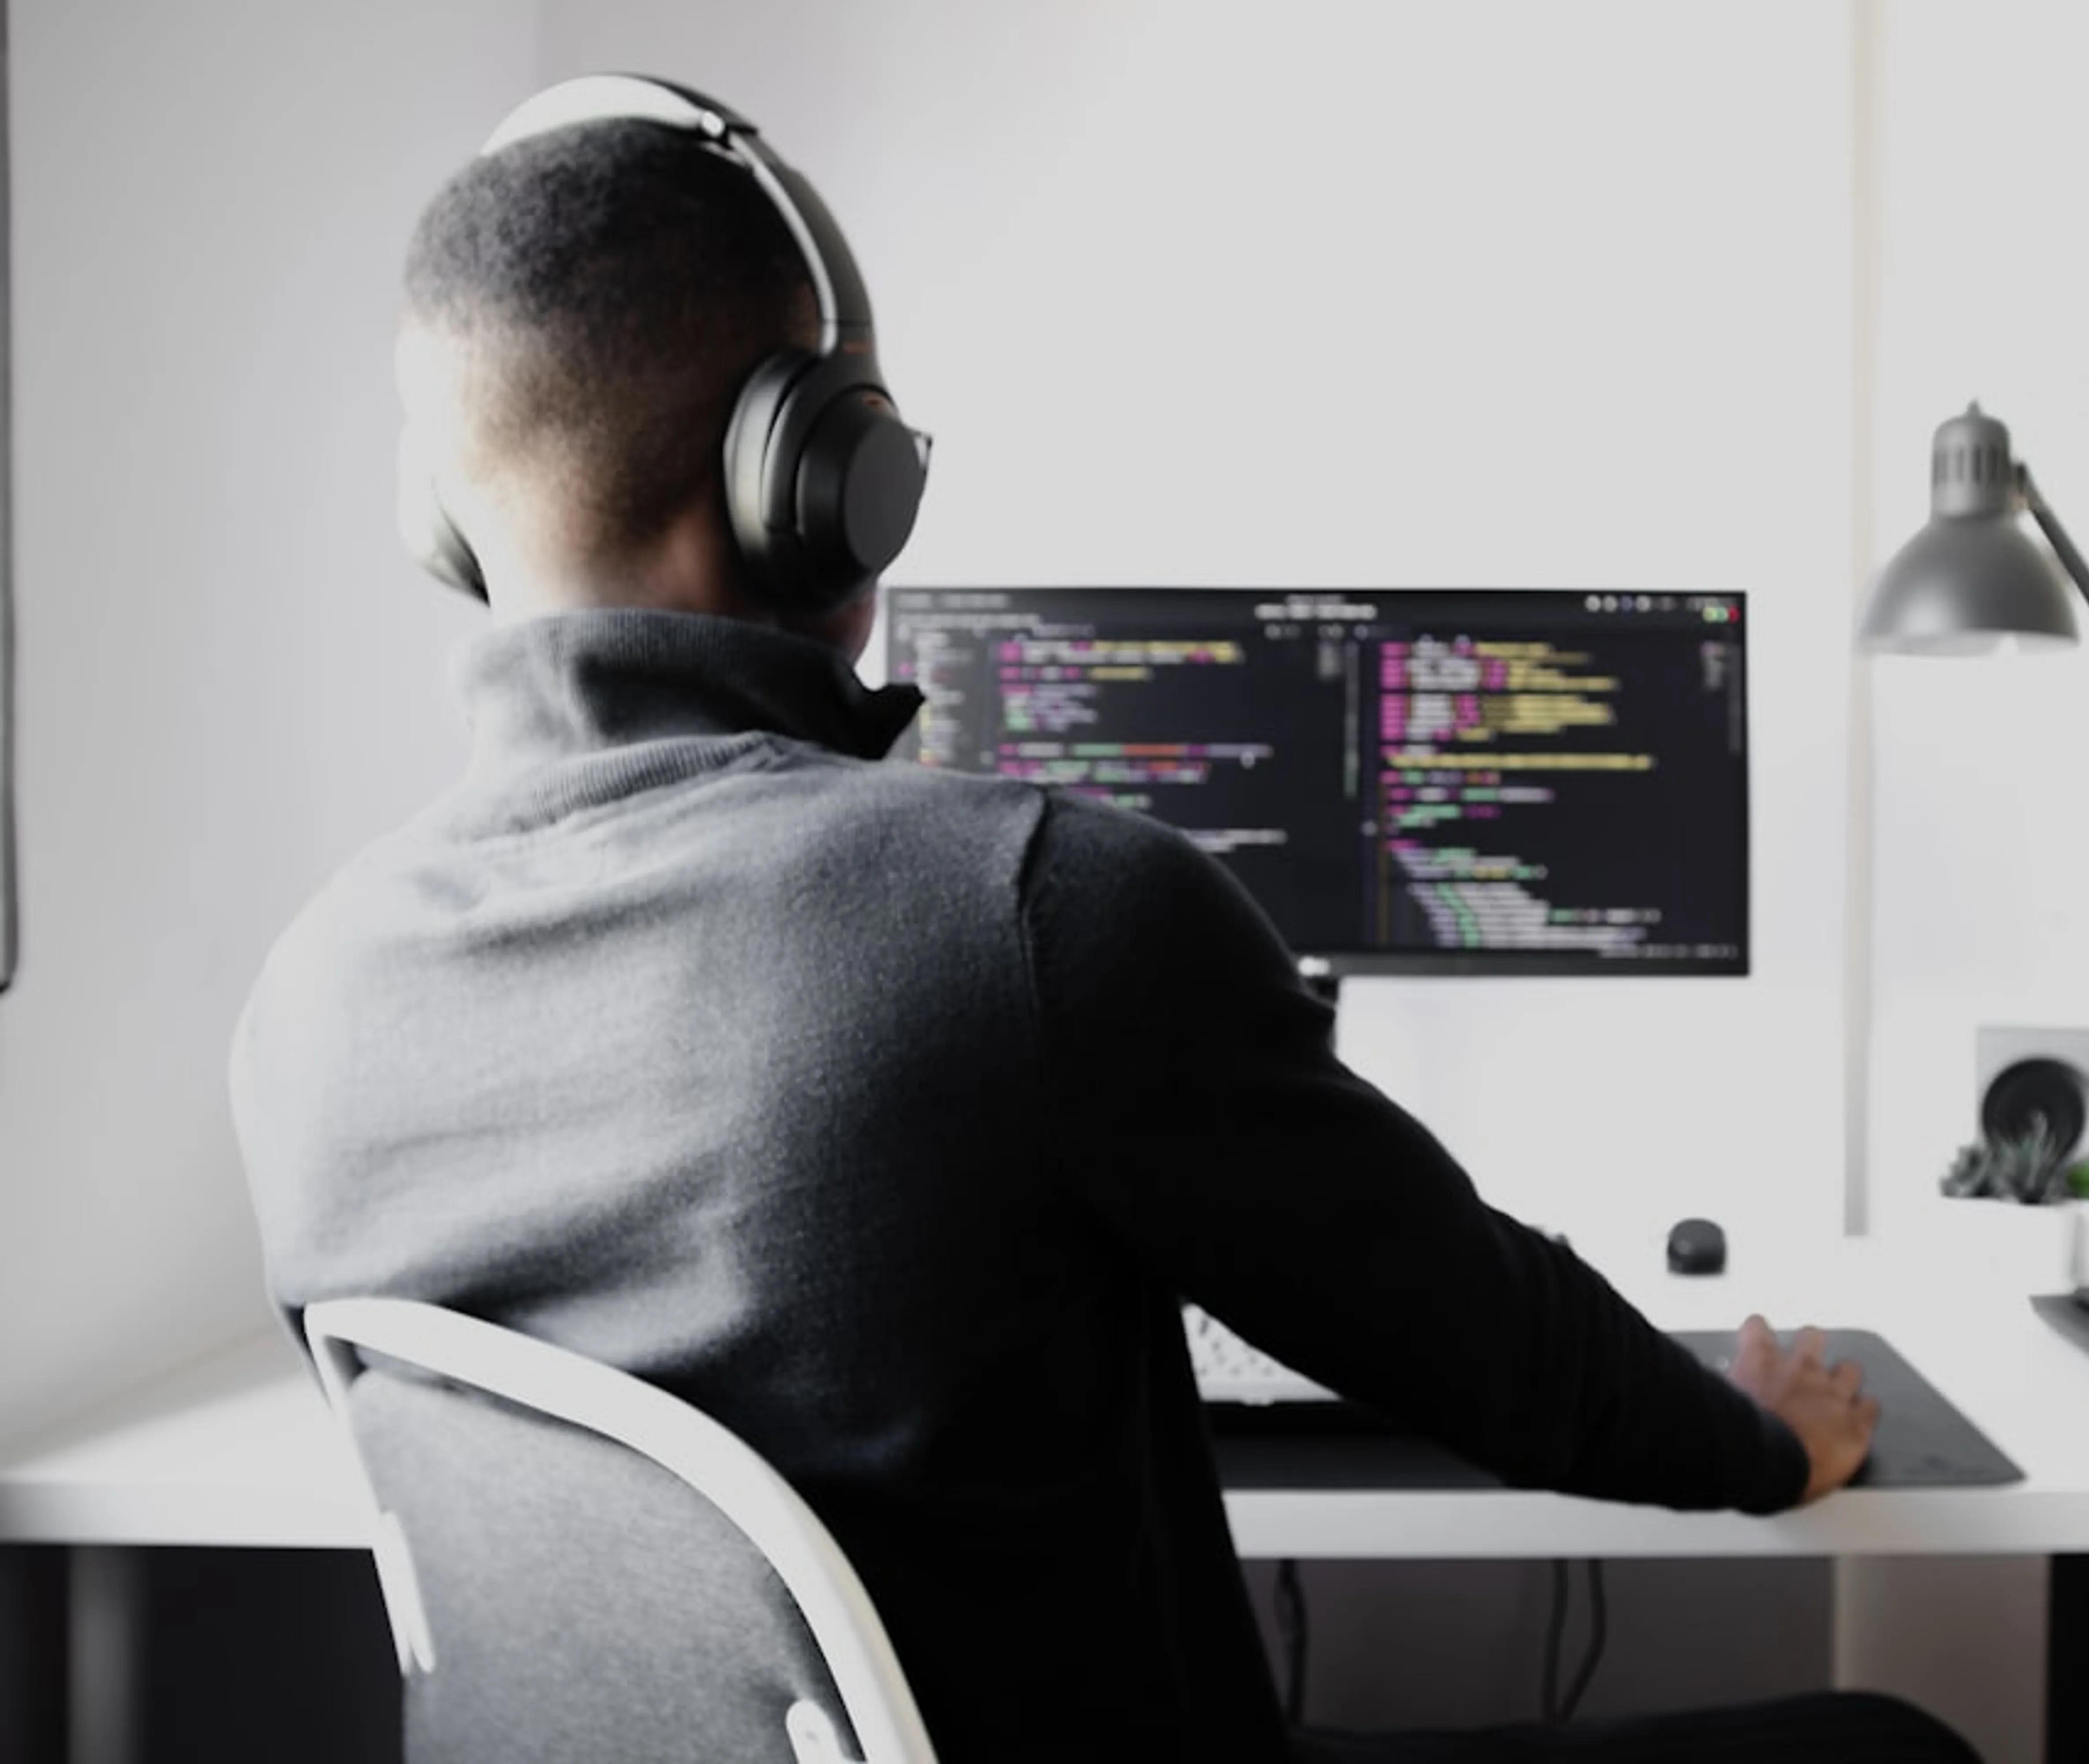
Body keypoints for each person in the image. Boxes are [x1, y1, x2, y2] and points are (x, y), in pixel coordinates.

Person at [231, 79, 1978, 1763]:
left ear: (447, 518)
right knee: (1890, 1740)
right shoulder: (1030, 909)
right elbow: (1504, 1354)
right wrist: (1763, 1437)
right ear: (820, 478)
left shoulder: (302, 1012)